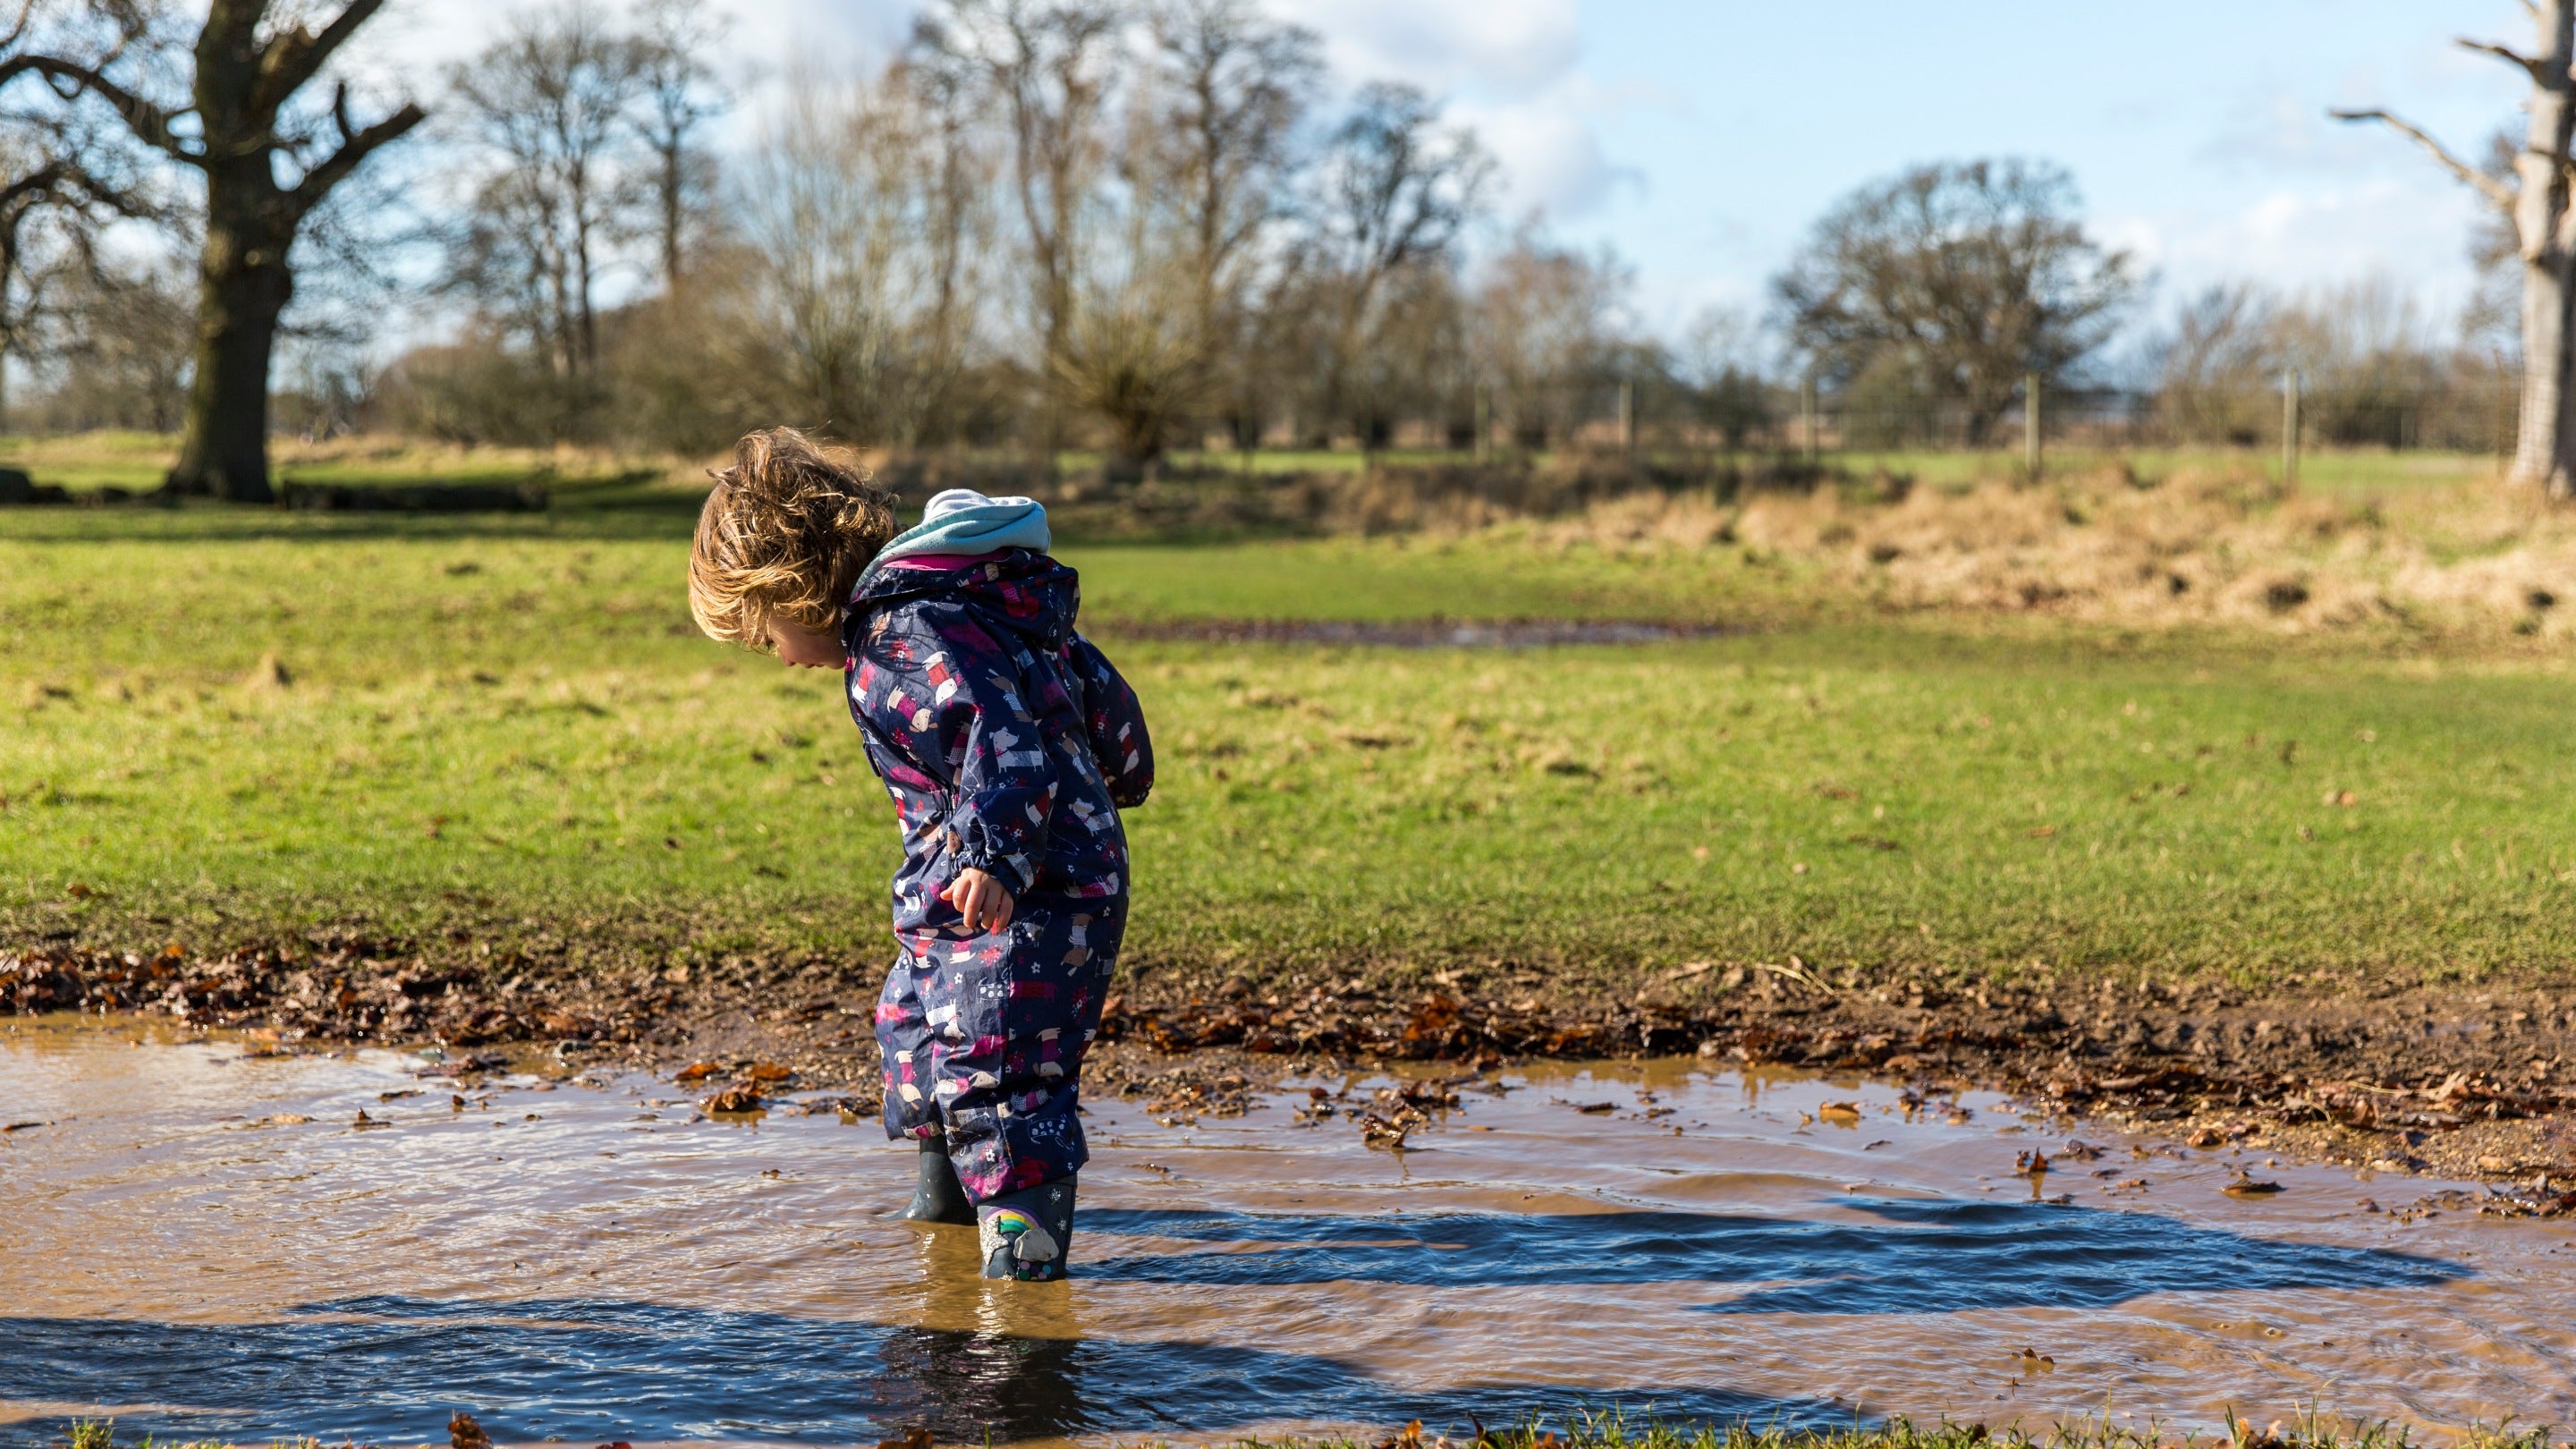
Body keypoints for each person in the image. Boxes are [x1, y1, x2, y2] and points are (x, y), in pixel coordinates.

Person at [686, 428, 1153, 1282]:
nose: (779, 658)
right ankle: (942, 1218)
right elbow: (1090, 683)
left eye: (765, 635)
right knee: (917, 1036)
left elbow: (1002, 734)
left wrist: (998, 856)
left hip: (1032, 889)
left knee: (1000, 1068)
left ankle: (1021, 1287)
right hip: (972, 886)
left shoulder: (907, 638)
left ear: (789, 585)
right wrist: (1124, 766)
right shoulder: (958, 615)